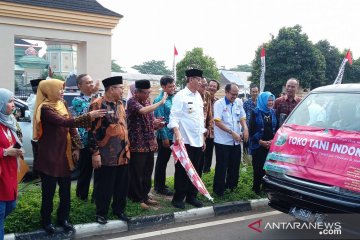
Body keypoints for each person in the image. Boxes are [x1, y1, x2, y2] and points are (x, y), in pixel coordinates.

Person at [33, 79, 105, 234]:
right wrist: (88, 116)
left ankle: (62, 219)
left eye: (62, 89)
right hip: (50, 156)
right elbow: (64, 122)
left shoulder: (62, 103)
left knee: (65, 190)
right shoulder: (44, 108)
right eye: (59, 89)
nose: (61, 92)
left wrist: (76, 147)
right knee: (49, 192)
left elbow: (71, 128)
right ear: (49, 90)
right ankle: (46, 221)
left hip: (64, 154)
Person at [88, 76, 130, 224]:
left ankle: (119, 210)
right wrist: (95, 153)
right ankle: (101, 213)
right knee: (104, 186)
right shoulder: (98, 104)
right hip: (106, 154)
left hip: (123, 153)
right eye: (121, 88)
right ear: (111, 89)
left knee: (121, 185)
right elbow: (91, 130)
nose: (123, 90)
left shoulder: (120, 103)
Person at [168, 68, 206, 209]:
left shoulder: (198, 96)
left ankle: (192, 196)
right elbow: (174, 117)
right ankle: (178, 198)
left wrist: (202, 137)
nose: (201, 82)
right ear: (190, 79)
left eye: (201, 79)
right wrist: (177, 134)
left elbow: (200, 119)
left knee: (196, 169)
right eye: (198, 79)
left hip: (197, 140)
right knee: (182, 170)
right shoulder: (181, 96)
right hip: (184, 141)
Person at [127, 80, 167, 209]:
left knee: (147, 172)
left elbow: (148, 119)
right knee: (137, 173)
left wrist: (156, 123)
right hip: (137, 144)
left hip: (149, 142)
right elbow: (143, 111)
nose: (148, 95)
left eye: (149, 92)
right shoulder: (132, 102)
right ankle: (137, 198)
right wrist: (160, 102)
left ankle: (145, 195)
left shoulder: (147, 101)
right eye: (146, 93)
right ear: (137, 92)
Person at [213, 83, 248, 196]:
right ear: (226, 92)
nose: (235, 96)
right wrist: (231, 132)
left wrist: (245, 129)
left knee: (234, 166)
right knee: (222, 166)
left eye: (236, 94)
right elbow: (217, 122)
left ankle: (232, 187)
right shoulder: (219, 104)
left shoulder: (238, 102)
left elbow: (242, 117)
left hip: (235, 141)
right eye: (233, 94)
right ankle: (219, 191)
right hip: (223, 141)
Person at [0, 89, 24, 240]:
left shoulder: (9, 121)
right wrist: (5, 152)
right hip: (1, 175)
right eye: (9, 101)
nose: (13, 105)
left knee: (11, 206)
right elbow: (5, 149)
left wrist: (17, 149)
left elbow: (13, 141)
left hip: (9, 172)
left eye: (13, 101)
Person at [72, 74, 99, 201]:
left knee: (99, 171)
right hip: (86, 140)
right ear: (79, 86)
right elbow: (87, 114)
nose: (91, 85)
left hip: (98, 139)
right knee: (85, 171)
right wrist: (93, 96)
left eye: (92, 82)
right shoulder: (77, 100)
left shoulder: (98, 98)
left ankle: (96, 198)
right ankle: (81, 198)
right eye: (87, 83)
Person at [249, 92, 277, 195]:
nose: (270, 102)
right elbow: (251, 131)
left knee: (268, 169)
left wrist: (272, 141)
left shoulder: (273, 112)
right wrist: (261, 142)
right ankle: (256, 189)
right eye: (268, 100)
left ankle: (265, 188)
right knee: (258, 168)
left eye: (272, 100)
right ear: (263, 101)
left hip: (270, 146)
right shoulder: (255, 112)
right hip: (258, 145)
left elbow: (276, 129)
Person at [153, 76, 176, 196]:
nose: (173, 88)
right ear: (163, 87)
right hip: (165, 135)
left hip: (175, 134)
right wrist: (165, 137)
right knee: (162, 161)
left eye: (173, 85)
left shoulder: (174, 98)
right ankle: (159, 186)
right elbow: (159, 120)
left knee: (170, 161)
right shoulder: (159, 99)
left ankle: (162, 184)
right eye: (170, 86)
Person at [27, 78, 45, 176]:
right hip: (39, 135)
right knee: (40, 158)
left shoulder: (33, 98)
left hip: (35, 134)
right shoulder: (36, 100)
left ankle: (38, 176)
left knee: (38, 157)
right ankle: (39, 177)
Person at [203, 79, 220, 173]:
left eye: (214, 86)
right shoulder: (202, 98)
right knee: (201, 154)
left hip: (214, 132)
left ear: (217, 89)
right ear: (207, 86)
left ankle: (206, 172)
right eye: (211, 85)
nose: (212, 87)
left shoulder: (218, 102)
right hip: (203, 131)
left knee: (209, 153)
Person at [242, 85, 259, 155]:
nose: (254, 93)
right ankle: (246, 163)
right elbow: (242, 117)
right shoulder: (246, 103)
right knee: (246, 148)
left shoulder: (260, 103)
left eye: (256, 91)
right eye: (253, 92)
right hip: (247, 129)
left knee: (256, 148)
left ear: (258, 92)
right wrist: (243, 130)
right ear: (250, 92)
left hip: (257, 130)